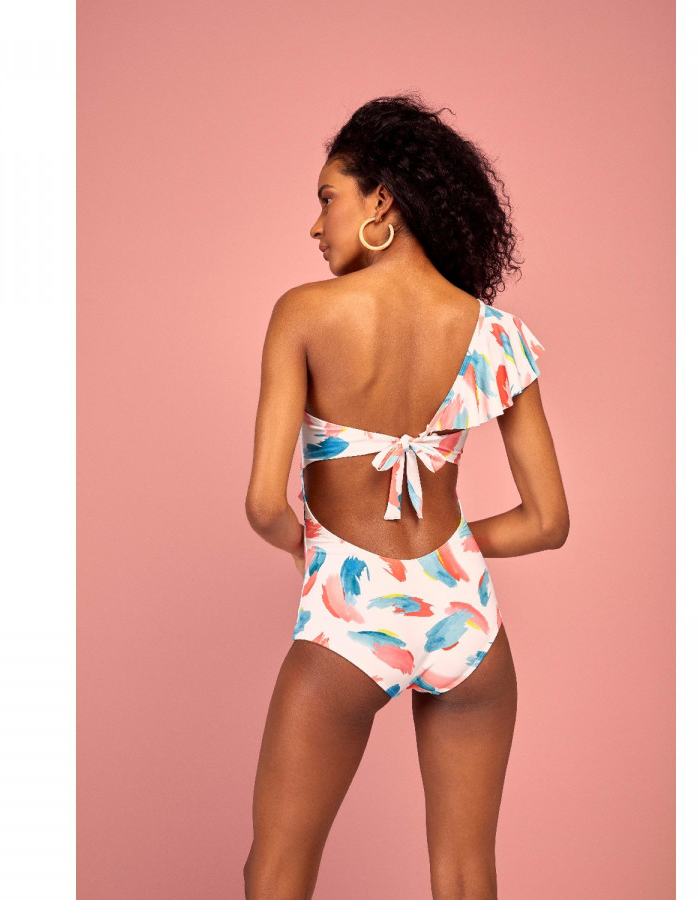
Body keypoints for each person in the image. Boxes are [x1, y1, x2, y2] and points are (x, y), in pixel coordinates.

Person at [243, 93, 569, 899]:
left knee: (276, 871)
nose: (315, 225)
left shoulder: (305, 314)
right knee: (464, 875)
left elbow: (263, 504)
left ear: (381, 201)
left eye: (327, 198)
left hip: (350, 610)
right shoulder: (497, 335)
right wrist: (445, 559)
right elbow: (547, 522)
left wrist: (307, 551)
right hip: (465, 616)